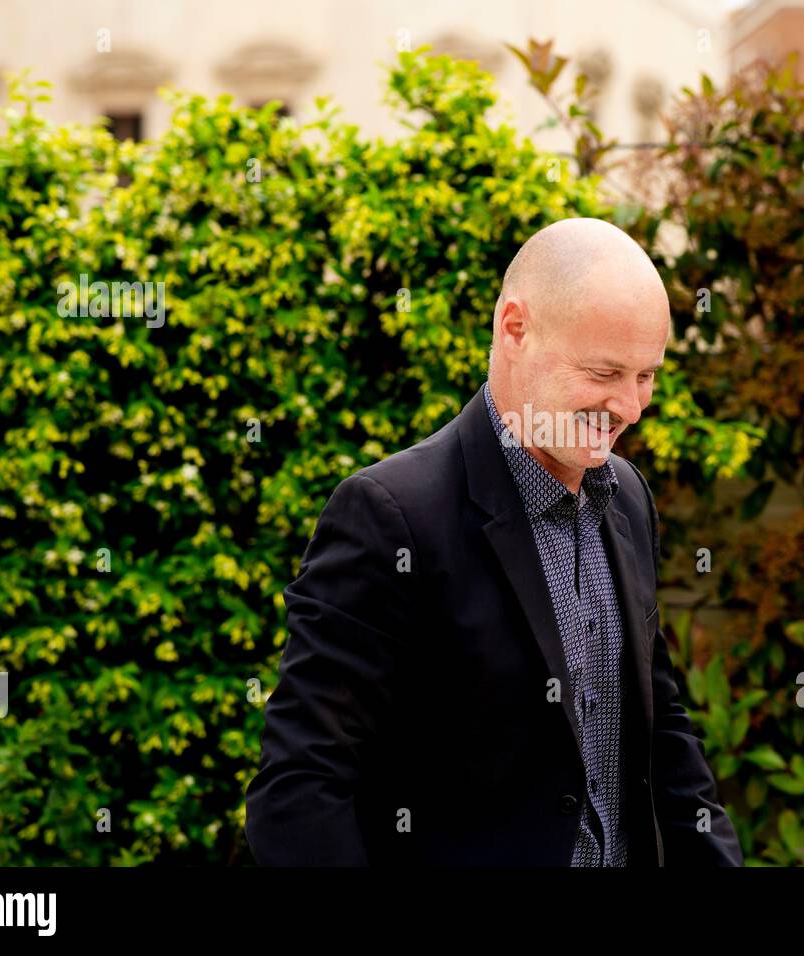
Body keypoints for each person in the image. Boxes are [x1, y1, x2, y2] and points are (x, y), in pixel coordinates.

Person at [244, 217, 743, 866]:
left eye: (646, 376)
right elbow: (299, 793)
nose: (630, 408)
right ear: (515, 329)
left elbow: (663, 736)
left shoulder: (628, 498)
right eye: (604, 373)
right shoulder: (390, 516)